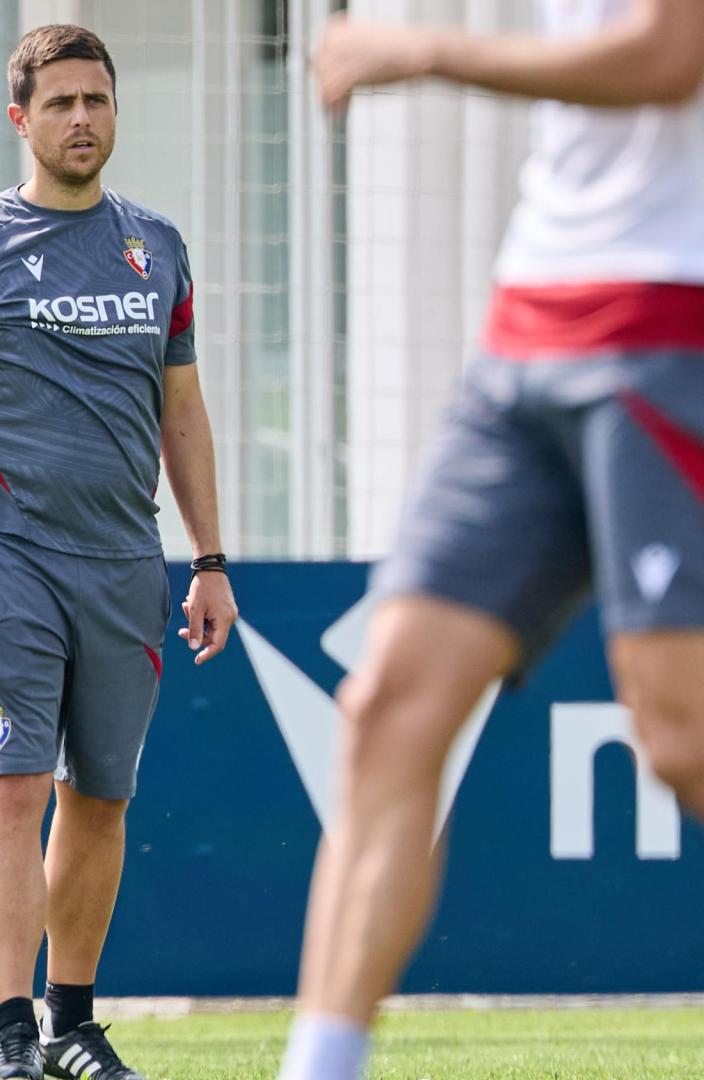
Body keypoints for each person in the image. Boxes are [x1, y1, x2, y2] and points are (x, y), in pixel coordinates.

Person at [281, 3, 704, 1077]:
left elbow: (667, 56)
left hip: (670, 320)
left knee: (681, 737)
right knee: (386, 708)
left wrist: (422, 50)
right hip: (524, 326)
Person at [0, 24, 237, 1080]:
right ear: (21, 119)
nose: (81, 119)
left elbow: (183, 412)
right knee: (13, 788)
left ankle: (69, 1023)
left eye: (96, 100)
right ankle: (10, 1037)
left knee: (102, 797)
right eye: (59, 103)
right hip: (6, 559)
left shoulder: (157, 246)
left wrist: (210, 559)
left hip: (127, 563)